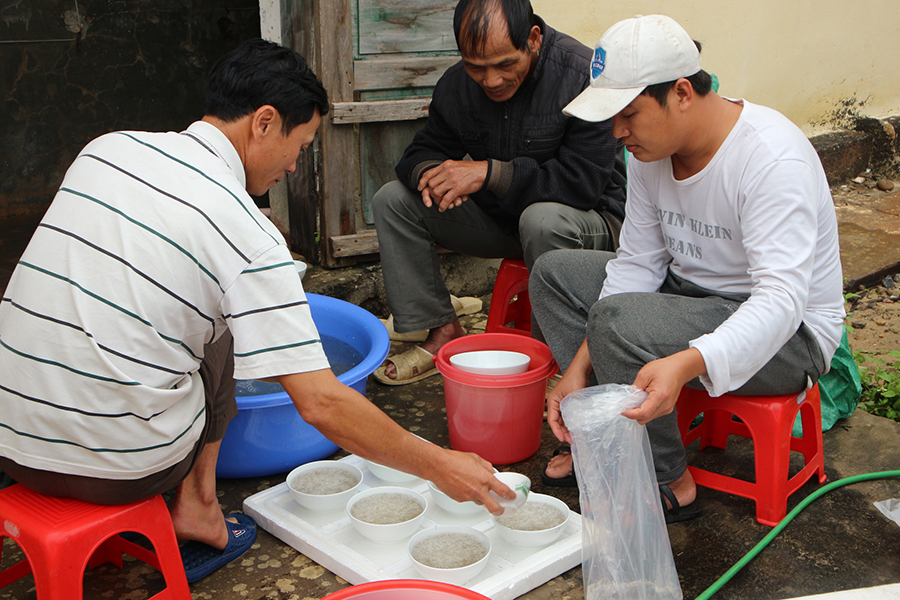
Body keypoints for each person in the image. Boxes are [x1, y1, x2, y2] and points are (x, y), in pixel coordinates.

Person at [0, 39, 514, 583]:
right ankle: (197, 505)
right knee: (223, 326)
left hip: (9, 440)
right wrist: (440, 466)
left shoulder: (107, 149)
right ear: (264, 122)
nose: (295, 167)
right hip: (121, 468)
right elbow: (320, 404)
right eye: (302, 145)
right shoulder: (246, 233)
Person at [530, 15, 845, 521]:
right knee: (554, 274)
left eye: (628, 114)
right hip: (692, 297)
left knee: (620, 324)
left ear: (680, 92)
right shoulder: (653, 155)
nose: (617, 132)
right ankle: (602, 434)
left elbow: (781, 301)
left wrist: (686, 362)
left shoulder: (770, 160)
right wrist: (577, 368)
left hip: (791, 334)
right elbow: (636, 264)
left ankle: (668, 478)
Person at [372, 0, 627, 385]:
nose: (491, 80)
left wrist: (489, 174)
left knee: (542, 219)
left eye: (506, 64)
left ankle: (559, 362)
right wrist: (433, 173)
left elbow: (582, 185)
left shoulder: (582, 76)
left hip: (588, 225)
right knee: (392, 201)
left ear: (534, 39)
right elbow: (420, 153)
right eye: (476, 66)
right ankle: (441, 330)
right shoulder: (457, 86)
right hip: (508, 222)